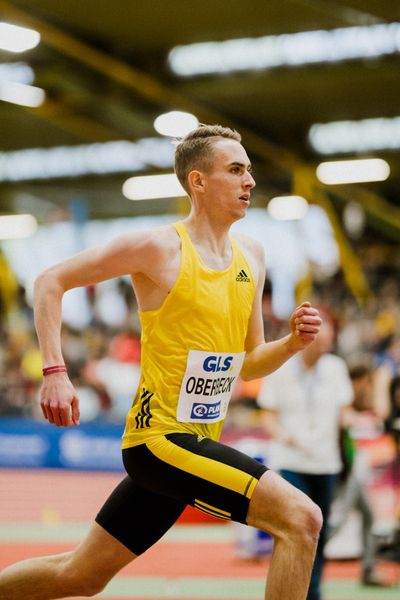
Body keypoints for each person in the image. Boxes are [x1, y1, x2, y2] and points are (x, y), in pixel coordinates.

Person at [0, 124, 323, 600]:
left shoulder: (251, 256)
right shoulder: (158, 248)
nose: (249, 181)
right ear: (198, 181)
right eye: (235, 170)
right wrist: (55, 372)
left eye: (249, 170)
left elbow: (249, 362)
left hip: (195, 445)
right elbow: (50, 281)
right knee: (302, 518)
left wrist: (292, 343)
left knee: (80, 576)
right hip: (160, 442)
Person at [257, 313, 352, 600]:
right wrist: (283, 435)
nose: (324, 339)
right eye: (319, 332)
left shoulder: (336, 368)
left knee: (318, 534)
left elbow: (344, 412)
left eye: (329, 333)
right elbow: (268, 414)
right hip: (290, 462)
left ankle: (314, 593)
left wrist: (360, 421)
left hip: (326, 463)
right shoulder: (282, 366)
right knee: (294, 530)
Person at [328, 364, 389, 586]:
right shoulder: (341, 397)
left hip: (352, 466)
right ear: (359, 379)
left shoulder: (354, 399)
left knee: (369, 515)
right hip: (342, 468)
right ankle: (309, 554)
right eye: (367, 381)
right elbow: (372, 416)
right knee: (338, 519)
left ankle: (368, 570)